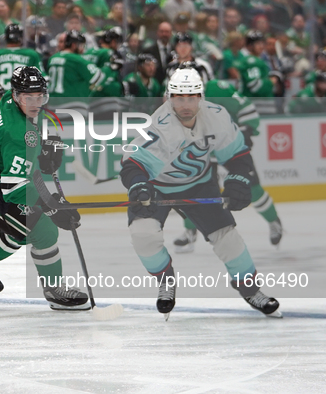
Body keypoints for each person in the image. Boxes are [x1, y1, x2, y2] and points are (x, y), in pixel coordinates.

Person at [119, 66, 281, 318]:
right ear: (169, 97)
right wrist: (139, 185)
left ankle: (251, 292)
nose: (185, 104)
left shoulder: (217, 116)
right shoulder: (158, 125)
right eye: (179, 98)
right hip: (157, 188)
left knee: (228, 237)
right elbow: (133, 165)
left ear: (200, 96)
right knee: (143, 235)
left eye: (191, 97)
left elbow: (238, 154)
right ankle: (166, 282)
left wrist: (238, 179)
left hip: (199, 183)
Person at [0, 66, 90, 310]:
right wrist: (52, 208)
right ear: (16, 95)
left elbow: (21, 163)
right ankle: (54, 290)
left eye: (40, 97)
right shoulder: (18, 133)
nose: (36, 103)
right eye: (29, 98)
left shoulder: (11, 100)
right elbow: (14, 188)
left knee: (25, 226)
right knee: (42, 229)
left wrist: (41, 150)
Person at [174, 76, 283, 252]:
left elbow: (245, 106)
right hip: (203, 150)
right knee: (194, 189)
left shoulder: (217, 88)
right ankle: (190, 231)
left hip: (229, 145)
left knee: (251, 187)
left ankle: (274, 221)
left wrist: (246, 130)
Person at [0, 24, 46, 99]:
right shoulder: (31, 54)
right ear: (21, 38)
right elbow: (43, 79)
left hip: (0, 99)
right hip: (23, 99)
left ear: (5, 37)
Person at [47, 30, 104, 98]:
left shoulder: (53, 58)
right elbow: (98, 76)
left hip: (53, 102)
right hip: (72, 103)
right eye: (81, 45)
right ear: (74, 45)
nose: (82, 49)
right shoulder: (76, 59)